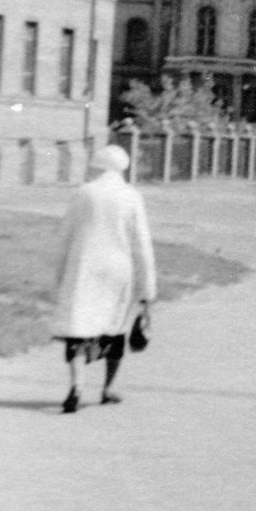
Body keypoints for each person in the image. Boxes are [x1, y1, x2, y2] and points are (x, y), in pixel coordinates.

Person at [51, 144, 158, 414]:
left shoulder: (84, 193)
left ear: (97, 166)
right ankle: (108, 388)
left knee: (79, 325)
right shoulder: (131, 195)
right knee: (115, 327)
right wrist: (148, 289)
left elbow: (64, 236)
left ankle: (76, 385)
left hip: (84, 265)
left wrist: (59, 275)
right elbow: (142, 244)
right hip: (118, 267)